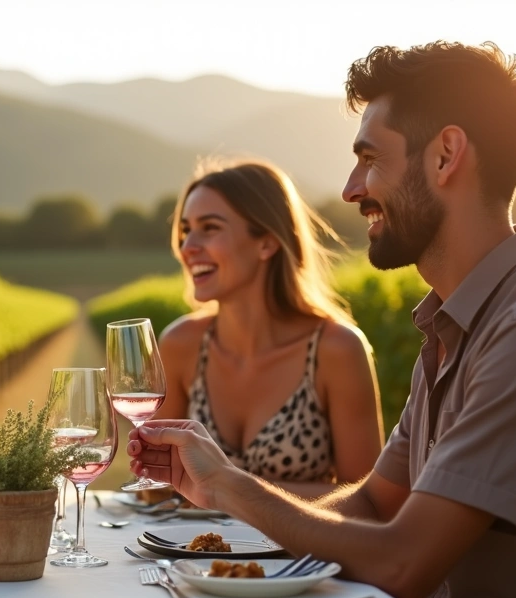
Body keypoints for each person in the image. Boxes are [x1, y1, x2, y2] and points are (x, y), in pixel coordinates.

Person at [130, 41, 516, 598]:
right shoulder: (458, 325)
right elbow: (373, 503)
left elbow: (401, 564)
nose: (351, 189)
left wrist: (231, 486)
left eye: (370, 158)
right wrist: (217, 500)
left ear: (446, 155)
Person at [156, 159, 383, 497]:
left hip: (299, 550)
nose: (188, 247)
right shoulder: (180, 344)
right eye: (187, 230)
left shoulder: (336, 349)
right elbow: (160, 482)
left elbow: (368, 500)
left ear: (267, 242)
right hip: (194, 549)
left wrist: (227, 490)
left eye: (210, 227)